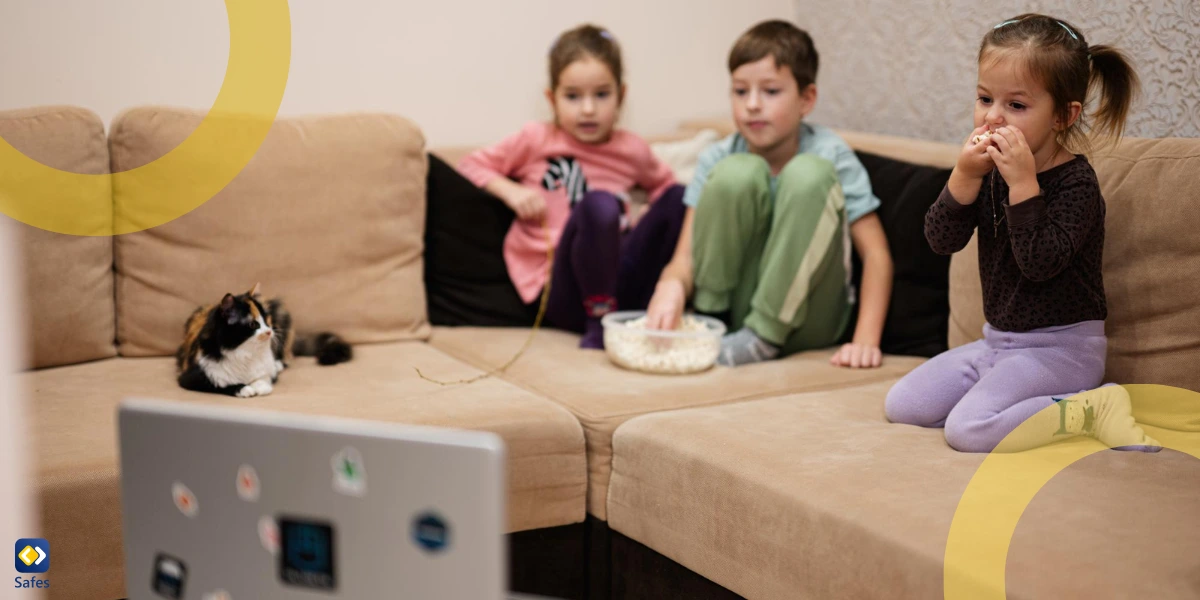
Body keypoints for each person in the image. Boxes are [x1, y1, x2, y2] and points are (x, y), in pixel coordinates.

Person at [884, 13, 1159, 453]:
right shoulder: (988, 172)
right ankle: (1024, 405)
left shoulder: (1077, 184)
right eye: (984, 98)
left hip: (1062, 351)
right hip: (997, 343)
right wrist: (963, 176)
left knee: (965, 431)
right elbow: (941, 240)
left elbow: (1039, 262)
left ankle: (1091, 408)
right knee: (904, 404)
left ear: (1062, 116)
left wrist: (1023, 186)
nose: (992, 118)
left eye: (1016, 105)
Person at [645, 19, 894, 369]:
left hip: (812, 317)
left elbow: (877, 254)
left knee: (808, 174)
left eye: (771, 91)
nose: (752, 105)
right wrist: (669, 286)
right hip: (734, 317)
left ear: (806, 99)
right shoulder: (717, 156)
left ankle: (764, 336)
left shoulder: (830, 154)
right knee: (736, 173)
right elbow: (685, 257)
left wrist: (866, 341)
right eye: (740, 91)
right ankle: (712, 315)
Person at [458, 24, 684, 349]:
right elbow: (470, 165)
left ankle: (642, 311)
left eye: (602, 94)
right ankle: (598, 323)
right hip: (560, 290)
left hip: (619, 279)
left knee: (681, 197)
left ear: (622, 95)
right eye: (573, 96)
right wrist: (513, 191)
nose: (588, 109)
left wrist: (647, 211)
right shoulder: (537, 139)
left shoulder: (631, 149)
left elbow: (666, 187)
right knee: (598, 205)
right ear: (552, 98)